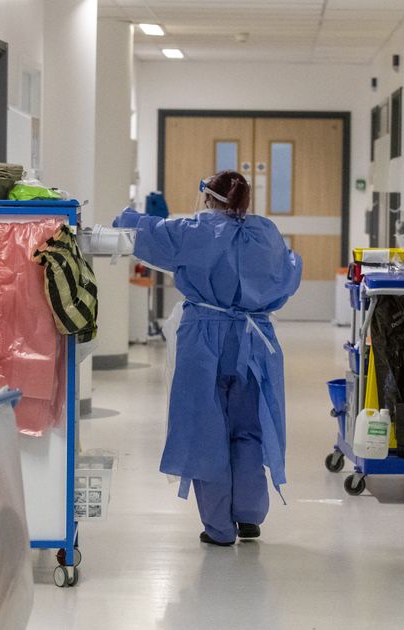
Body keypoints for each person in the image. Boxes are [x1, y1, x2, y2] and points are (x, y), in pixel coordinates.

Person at [113, 170, 302, 546]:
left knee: (206, 431)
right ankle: (248, 515)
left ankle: (218, 528)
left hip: (204, 337)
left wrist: (126, 216)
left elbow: (145, 231)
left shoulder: (194, 230)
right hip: (253, 339)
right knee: (248, 426)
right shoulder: (264, 233)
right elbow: (290, 269)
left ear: (209, 197)